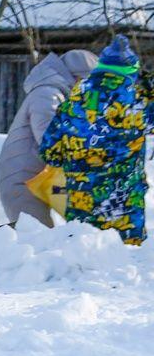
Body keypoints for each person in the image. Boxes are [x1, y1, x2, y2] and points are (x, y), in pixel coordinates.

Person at [40, 34, 153, 244]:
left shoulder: (73, 102)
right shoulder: (140, 104)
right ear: (131, 73)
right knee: (126, 260)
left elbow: (49, 153)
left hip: (82, 207)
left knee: (82, 257)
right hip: (126, 208)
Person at [0, 50, 97, 227]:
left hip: (43, 177)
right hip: (22, 180)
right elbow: (50, 139)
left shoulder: (62, 97)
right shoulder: (47, 95)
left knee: (84, 222)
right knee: (36, 235)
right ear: (77, 78)